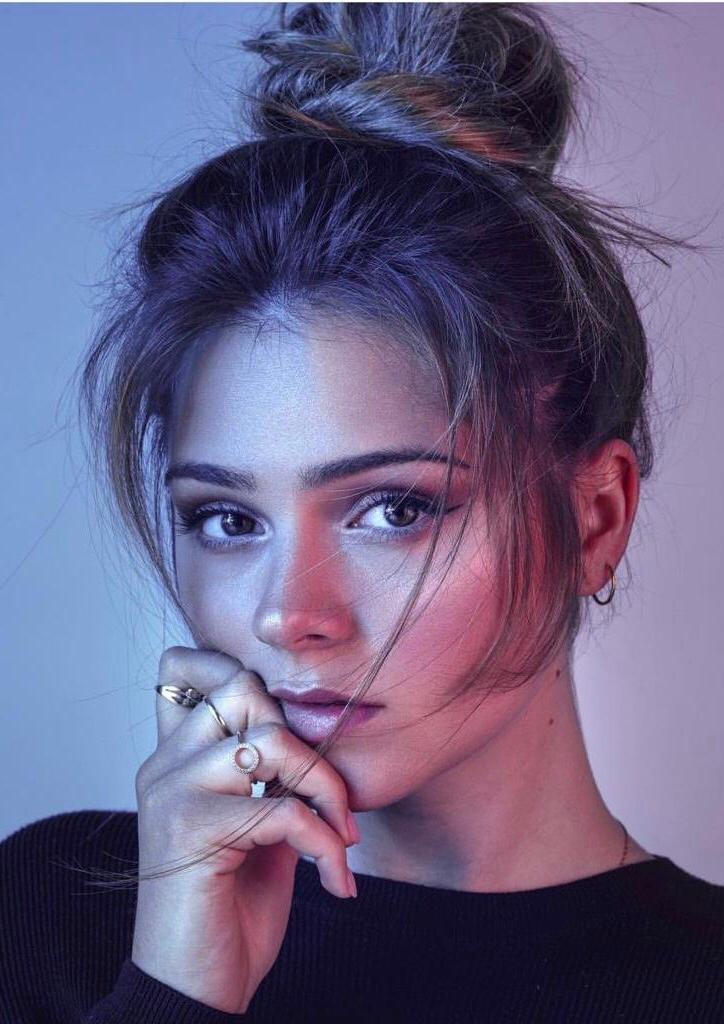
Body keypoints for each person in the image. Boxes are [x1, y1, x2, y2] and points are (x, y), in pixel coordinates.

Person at [2, 3, 723, 1022]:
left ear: (595, 520)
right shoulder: (56, 918)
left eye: (392, 509)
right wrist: (173, 994)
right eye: (227, 519)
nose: (287, 616)